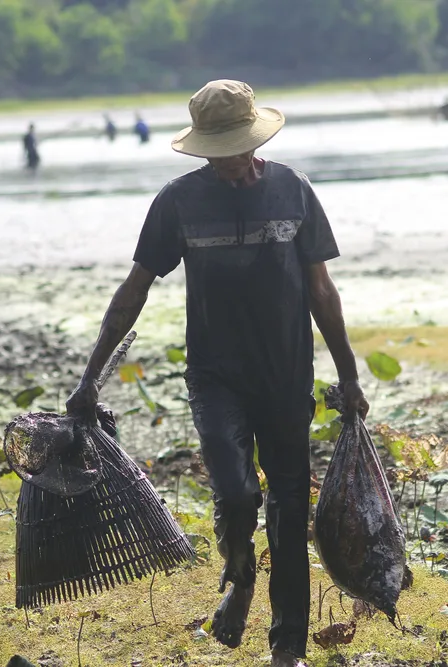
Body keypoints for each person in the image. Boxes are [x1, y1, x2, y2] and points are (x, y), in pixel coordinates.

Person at [65, 80, 368, 667]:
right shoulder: (178, 202)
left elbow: (321, 292)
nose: (225, 161)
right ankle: (239, 573)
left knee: (286, 505)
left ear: (254, 142)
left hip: (286, 375)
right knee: (235, 491)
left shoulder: (293, 191)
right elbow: (134, 292)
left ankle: (288, 647)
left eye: (233, 147)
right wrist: (89, 377)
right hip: (214, 375)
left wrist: (349, 375)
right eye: (214, 150)